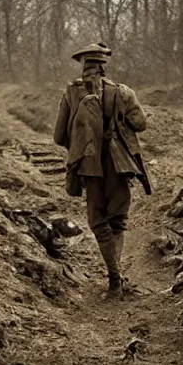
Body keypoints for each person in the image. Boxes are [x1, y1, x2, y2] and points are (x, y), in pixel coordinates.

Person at [53, 43, 149, 295]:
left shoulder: (71, 92)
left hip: (89, 164)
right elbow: (140, 124)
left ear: (83, 65)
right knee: (117, 220)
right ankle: (117, 277)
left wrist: (82, 140)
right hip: (118, 164)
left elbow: (58, 136)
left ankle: (114, 277)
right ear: (104, 66)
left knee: (98, 220)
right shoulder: (123, 92)